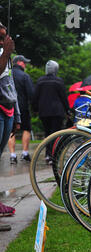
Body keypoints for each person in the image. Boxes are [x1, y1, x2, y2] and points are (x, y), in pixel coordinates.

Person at [0, 22, 19, 231]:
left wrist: (17, 115)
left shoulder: (7, 57)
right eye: (0, 37)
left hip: (8, 111)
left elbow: (10, 84)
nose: (4, 41)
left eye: (5, 36)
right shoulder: (4, 54)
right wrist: (5, 52)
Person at [32, 60, 70, 163]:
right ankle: (54, 155)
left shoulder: (40, 81)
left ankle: (47, 154)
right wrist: (68, 111)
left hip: (44, 112)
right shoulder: (59, 81)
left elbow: (35, 97)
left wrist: (35, 109)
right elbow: (63, 98)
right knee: (55, 133)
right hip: (57, 112)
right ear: (56, 69)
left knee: (47, 133)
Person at [8, 55, 34, 164]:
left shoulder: (7, 74)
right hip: (22, 107)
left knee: (10, 130)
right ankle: (25, 153)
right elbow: (31, 93)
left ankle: (12, 155)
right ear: (19, 62)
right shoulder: (24, 76)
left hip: (8, 106)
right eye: (25, 63)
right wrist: (34, 106)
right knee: (26, 129)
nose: (26, 65)